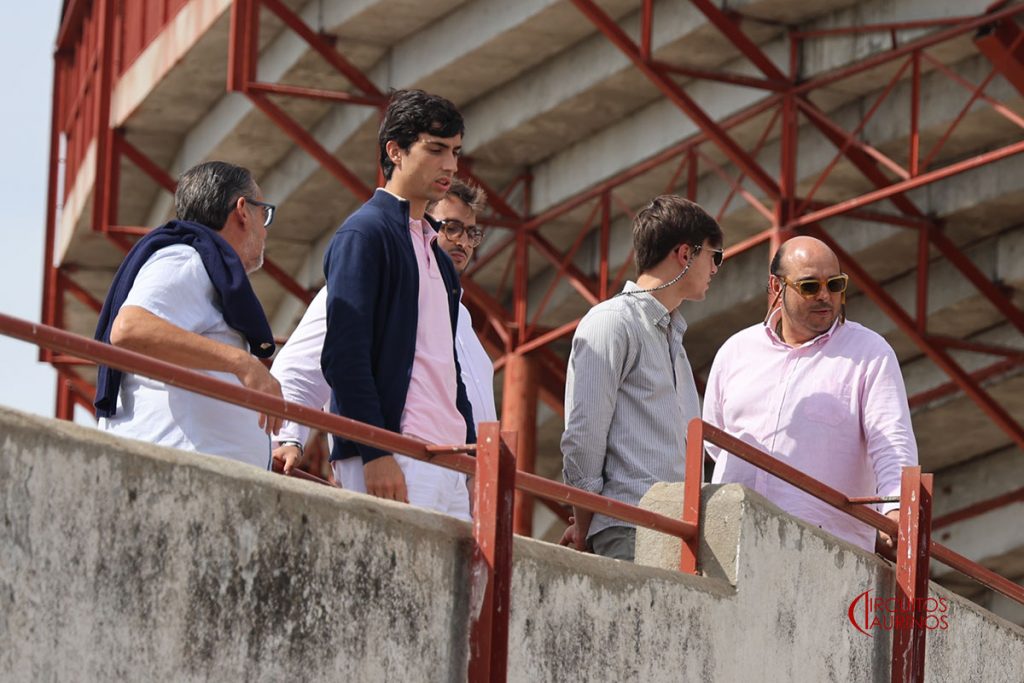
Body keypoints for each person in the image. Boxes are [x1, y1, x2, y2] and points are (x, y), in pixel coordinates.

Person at [704, 235, 918, 554]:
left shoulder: (869, 353)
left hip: (825, 551)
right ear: (777, 287)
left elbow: (891, 441)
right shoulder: (735, 352)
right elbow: (714, 444)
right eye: (809, 286)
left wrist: (896, 510)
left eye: (834, 284)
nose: (824, 296)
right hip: (733, 541)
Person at [319, 89, 476, 520]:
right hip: (398, 454)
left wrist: (473, 457)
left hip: (449, 461)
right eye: (436, 149)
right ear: (396, 150)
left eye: (456, 152)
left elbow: (448, 369)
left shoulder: (434, 255)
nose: (451, 165)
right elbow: (343, 355)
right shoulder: (364, 234)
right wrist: (376, 451)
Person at [270, 178, 496, 474]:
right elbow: (299, 368)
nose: (463, 242)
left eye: (472, 233)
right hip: (401, 463)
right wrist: (287, 438)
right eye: (451, 227)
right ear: (423, 225)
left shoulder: (462, 318)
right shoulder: (374, 283)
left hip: (460, 479)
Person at [561, 195, 723, 561]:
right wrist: (587, 521)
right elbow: (584, 433)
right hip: (631, 529)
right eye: (715, 256)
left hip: (678, 534)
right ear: (686, 254)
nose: (715, 269)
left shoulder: (674, 343)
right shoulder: (612, 321)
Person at [94, 160, 282, 469]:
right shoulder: (186, 258)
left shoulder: (200, 263)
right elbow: (129, 329)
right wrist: (243, 363)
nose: (265, 228)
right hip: (178, 473)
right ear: (242, 210)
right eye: (265, 213)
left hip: (189, 471)